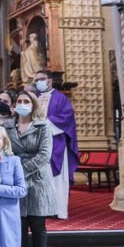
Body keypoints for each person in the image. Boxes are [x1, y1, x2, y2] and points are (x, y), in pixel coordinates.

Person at [3, 90, 57, 247]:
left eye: (27, 101)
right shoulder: (7, 126)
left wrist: (22, 169)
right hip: (16, 181)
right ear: (14, 104)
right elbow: (5, 151)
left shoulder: (43, 126)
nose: (23, 103)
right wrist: (15, 172)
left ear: (33, 104)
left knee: (38, 226)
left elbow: (44, 155)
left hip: (38, 179)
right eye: (19, 100)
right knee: (19, 224)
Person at [33, 70, 78, 220]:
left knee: (57, 178)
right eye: (36, 80)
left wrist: (43, 123)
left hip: (56, 142)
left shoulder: (60, 98)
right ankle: (42, 209)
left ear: (49, 81)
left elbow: (66, 117)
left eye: (41, 79)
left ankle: (58, 210)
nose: (38, 82)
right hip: (37, 144)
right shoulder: (34, 98)